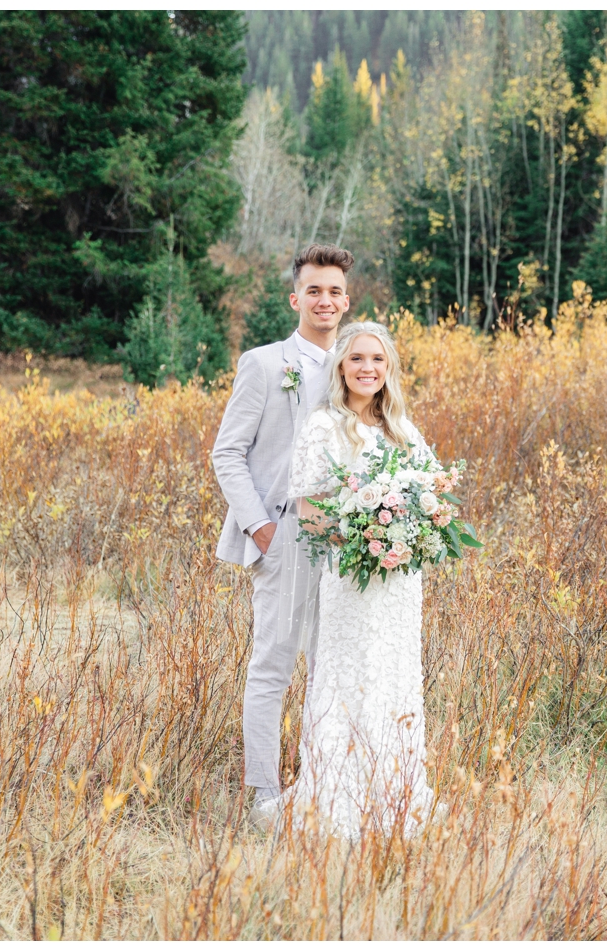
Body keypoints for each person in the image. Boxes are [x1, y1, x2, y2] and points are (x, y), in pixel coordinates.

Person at [210, 244, 350, 828]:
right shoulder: (266, 364)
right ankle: (263, 795)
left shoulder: (358, 363)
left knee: (332, 665)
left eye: (335, 291)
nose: (325, 300)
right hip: (283, 533)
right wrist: (262, 528)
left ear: (347, 300)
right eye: (314, 290)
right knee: (273, 666)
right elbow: (228, 452)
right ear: (296, 298)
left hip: (347, 543)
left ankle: (322, 783)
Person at [281, 321, 439, 838]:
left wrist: (409, 534)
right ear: (341, 367)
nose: (367, 368)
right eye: (356, 359)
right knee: (351, 675)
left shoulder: (402, 428)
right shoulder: (325, 426)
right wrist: (360, 532)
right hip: (351, 576)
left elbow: (431, 498)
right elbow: (307, 509)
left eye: (377, 359)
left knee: (395, 675)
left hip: (400, 584)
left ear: (389, 367)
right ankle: (337, 796)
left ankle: (396, 792)